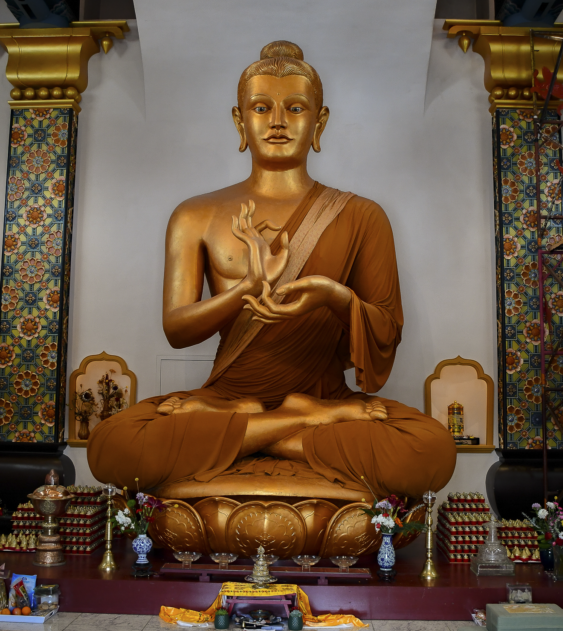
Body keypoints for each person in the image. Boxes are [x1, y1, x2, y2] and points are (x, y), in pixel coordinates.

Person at [88, 40, 456, 498]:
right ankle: (298, 423)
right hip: (230, 392)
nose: (278, 121)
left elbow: (385, 330)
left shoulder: (362, 215)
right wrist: (246, 286)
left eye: (295, 108)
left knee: (429, 448)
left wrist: (332, 295)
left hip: (324, 394)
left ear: (319, 123)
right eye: (261, 108)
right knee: (112, 445)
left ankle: (252, 428)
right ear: (240, 121)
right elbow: (177, 329)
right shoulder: (195, 215)